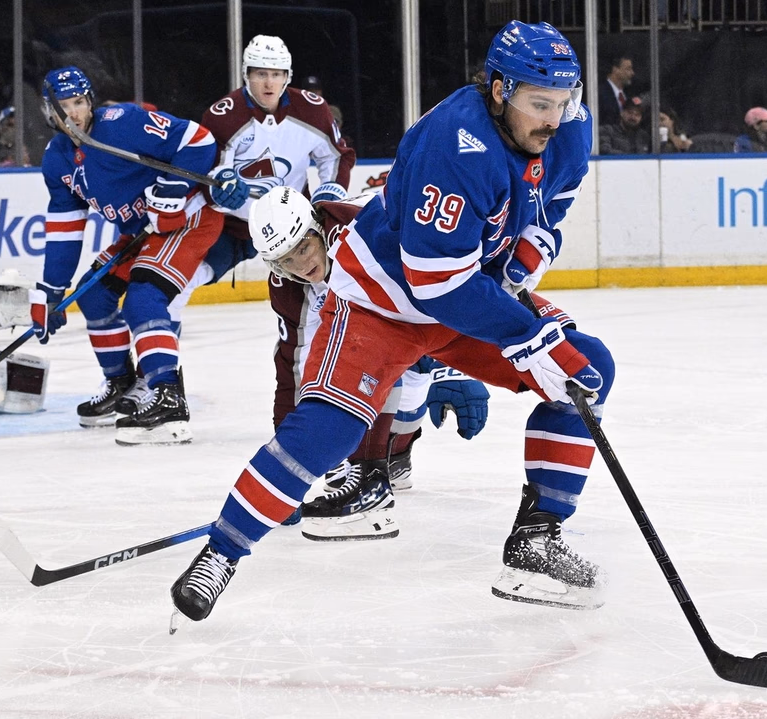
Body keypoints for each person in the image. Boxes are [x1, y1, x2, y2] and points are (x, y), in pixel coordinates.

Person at [171, 21, 615, 625]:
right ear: (499, 89)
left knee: (586, 373)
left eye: (565, 103)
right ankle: (220, 553)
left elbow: (553, 199)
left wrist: (533, 249)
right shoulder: (452, 144)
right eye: (541, 104)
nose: (556, 118)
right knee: (325, 430)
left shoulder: (568, 126)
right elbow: (436, 286)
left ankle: (534, 545)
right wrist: (526, 335)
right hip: (382, 300)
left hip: (468, 289)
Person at [251, 186, 493, 537]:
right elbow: (293, 367)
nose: (300, 265)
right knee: (362, 353)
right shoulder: (288, 285)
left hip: (433, 302)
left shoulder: (365, 229)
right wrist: (288, 470)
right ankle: (391, 458)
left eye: (303, 248)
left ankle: (372, 478)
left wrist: (450, 367)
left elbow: (443, 282)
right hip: (393, 320)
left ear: (317, 227)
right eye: (286, 260)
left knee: (378, 348)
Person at [34, 66, 249, 445]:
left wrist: (173, 184)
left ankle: (168, 397)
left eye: (81, 102)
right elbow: (65, 229)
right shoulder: (57, 160)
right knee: (94, 294)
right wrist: (51, 290)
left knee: (144, 297)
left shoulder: (122, 122)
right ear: (49, 111)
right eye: (65, 106)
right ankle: (123, 383)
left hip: (187, 219)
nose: (76, 114)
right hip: (142, 232)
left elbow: (198, 141)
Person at [194, 35, 356, 292]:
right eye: (260, 74)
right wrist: (221, 192)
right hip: (235, 227)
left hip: (297, 225)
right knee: (190, 276)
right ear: (246, 75)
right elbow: (210, 175)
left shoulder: (312, 110)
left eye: (277, 74)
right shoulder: (223, 116)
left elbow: (336, 156)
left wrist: (330, 193)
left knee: (320, 285)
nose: (269, 83)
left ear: (287, 76)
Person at [597, 54, 634, 129]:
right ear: (615, 69)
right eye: (628, 69)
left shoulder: (629, 94)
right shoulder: (599, 93)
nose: (632, 73)